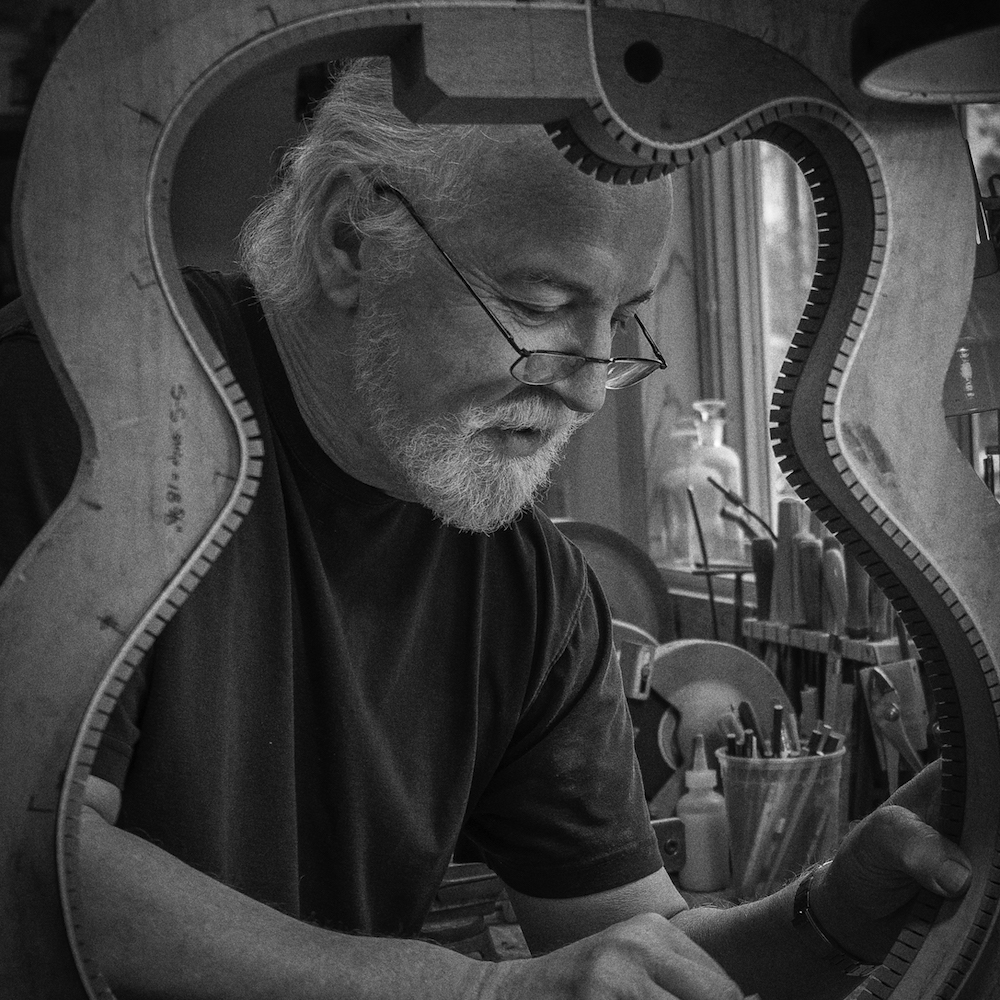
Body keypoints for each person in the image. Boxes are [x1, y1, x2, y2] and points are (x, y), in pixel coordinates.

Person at [0, 58, 971, 1000]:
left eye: (623, 317)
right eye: (538, 304)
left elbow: (630, 953)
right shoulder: (84, 409)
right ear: (350, 235)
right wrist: (471, 990)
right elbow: (32, 850)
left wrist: (836, 910)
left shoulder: (527, 584)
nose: (591, 388)